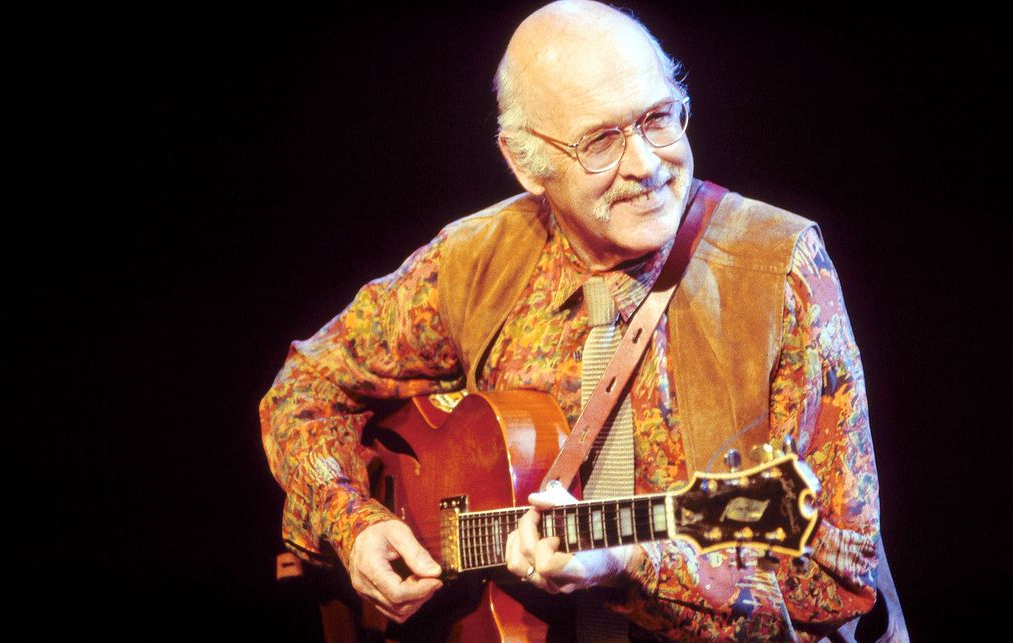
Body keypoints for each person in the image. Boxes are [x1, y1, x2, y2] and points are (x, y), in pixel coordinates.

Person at [261, 2, 906, 640]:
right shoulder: (473, 261)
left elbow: (841, 573)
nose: (647, 165)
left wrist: (632, 565)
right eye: (600, 141)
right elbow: (300, 393)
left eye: (659, 119)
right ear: (524, 163)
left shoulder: (776, 267)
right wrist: (357, 525)